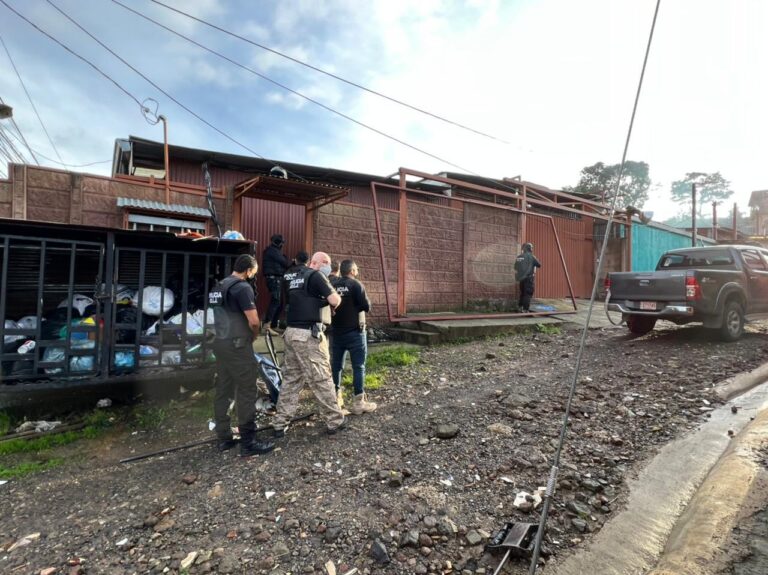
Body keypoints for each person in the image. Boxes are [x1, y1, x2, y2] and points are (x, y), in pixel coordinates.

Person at [272, 251, 346, 437]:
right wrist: (333, 303)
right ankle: (335, 421)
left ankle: (280, 423)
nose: (329, 266)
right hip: (308, 335)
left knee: (291, 379)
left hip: (290, 333)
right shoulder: (317, 276)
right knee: (321, 377)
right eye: (327, 262)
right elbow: (335, 300)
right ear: (317, 263)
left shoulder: (293, 276)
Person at [209, 254, 275, 457]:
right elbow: (254, 321)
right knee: (246, 390)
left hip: (220, 345)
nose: (253, 276)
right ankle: (248, 442)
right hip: (238, 346)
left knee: (223, 389)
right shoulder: (242, 287)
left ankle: (224, 438)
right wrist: (253, 336)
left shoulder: (218, 287)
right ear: (249, 270)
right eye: (253, 273)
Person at [330, 259, 377, 415]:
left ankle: (335, 402)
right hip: (355, 333)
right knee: (359, 366)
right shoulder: (356, 285)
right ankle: (358, 403)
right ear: (352, 271)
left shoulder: (333, 284)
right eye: (356, 269)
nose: (357, 271)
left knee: (336, 367)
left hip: (336, 333)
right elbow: (366, 307)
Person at [262, 234, 291, 335]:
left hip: (276, 279)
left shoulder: (274, 251)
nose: (282, 245)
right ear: (279, 243)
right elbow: (285, 263)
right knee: (276, 301)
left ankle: (274, 325)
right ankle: (267, 326)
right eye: (282, 243)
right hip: (274, 279)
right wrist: (290, 262)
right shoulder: (273, 251)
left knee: (279, 302)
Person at [514, 242, 541, 313]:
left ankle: (520, 307)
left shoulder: (519, 257)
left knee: (522, 293)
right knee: (528, 293)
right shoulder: (532, 257)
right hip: (529, 279)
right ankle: (525, 309)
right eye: (531, 248)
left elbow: (515, 267)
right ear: (529, 248)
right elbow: (539, 265)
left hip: (521, 278)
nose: (532, 249)